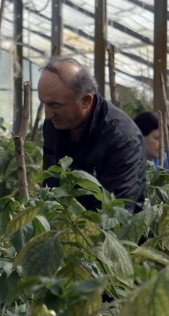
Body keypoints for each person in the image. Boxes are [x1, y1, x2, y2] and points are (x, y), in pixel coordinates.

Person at [39, 57, 146, 213]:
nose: (48, 115)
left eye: (55, 105)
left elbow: (117, 213)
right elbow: (50, 182)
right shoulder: (56, 123)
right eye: (44, 103)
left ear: (86, 101)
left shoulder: (121, 138)